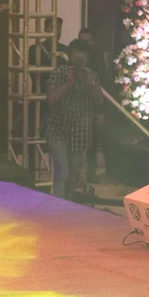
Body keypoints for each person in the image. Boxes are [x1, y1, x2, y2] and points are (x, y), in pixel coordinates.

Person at [45, 42, 103, 199]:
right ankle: (56, 210)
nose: (80, 60)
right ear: (70, 56)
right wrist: (68, 84)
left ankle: (68, 210)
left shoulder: (91, 76)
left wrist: (90, 83)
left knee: (72, 177)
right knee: (62, 173)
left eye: (83, 57)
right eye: (77, 56)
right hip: (58, 130)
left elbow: (99, 101)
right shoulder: (59, 73)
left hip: (80, 132)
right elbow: (51, 100)